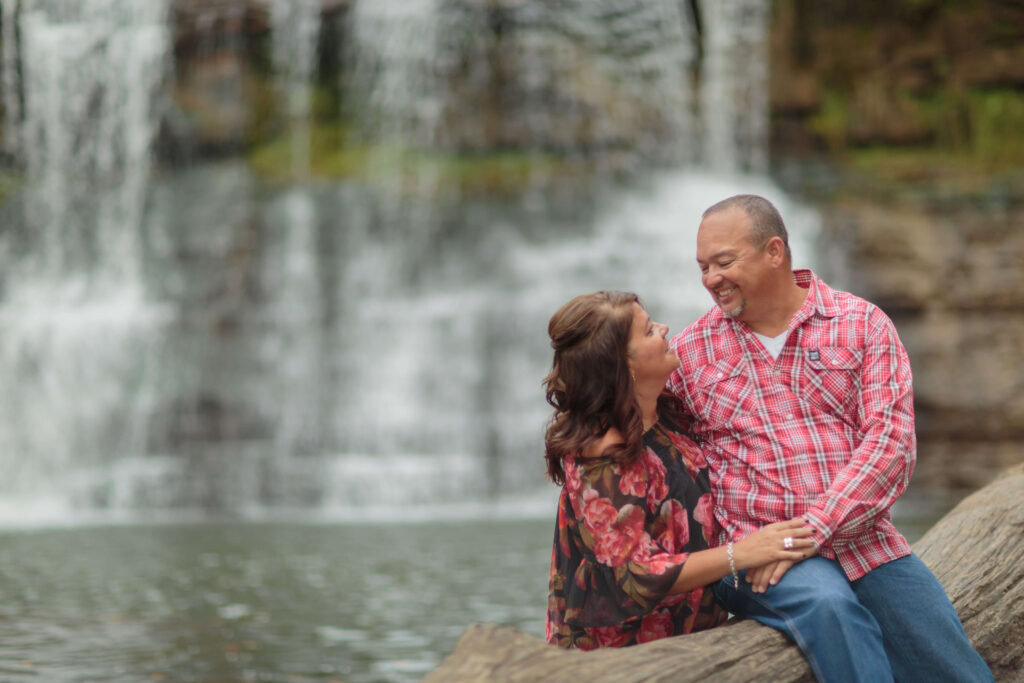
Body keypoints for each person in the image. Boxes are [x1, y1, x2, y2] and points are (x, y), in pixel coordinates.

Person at [668, 194, 992, 682]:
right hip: (761, 556)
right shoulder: (690, 353)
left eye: (724, 261)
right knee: (830, 607)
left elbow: (891, 445)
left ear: (774, 252)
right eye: (702, 266)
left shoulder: (861, 323)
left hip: (866, 543)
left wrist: (816, 529)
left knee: (952, 666)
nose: (711, 278)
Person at [543, 290, 814, 650]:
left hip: (692, 636)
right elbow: (633, 575)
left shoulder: (667, 412)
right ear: (623, 364)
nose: (665, 328)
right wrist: (744, 553)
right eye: (649, 330)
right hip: (623, 656)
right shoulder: (603, 454)